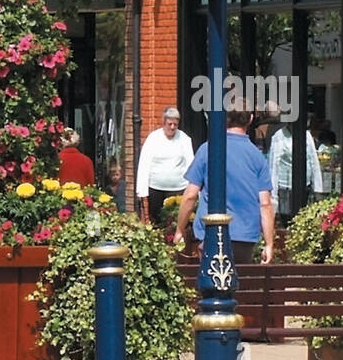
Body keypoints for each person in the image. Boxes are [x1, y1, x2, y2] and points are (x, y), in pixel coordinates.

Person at [175, 102, 275, 264]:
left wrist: (180, 230)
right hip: (245, 235)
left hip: (211, 232)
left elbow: (190, 196)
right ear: (250, 119)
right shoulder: (257, 157)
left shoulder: (207, 149)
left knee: (211, 283)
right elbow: (265, 204)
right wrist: (269, 244)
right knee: (240, 285)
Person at [136, 107, 194, 224]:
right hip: (156, 189)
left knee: (175, 222)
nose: (172, 127)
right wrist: (141, 190)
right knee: (157, 222)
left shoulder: (184, 139)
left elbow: (190, 164)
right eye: (169, 124)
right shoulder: (153, 138)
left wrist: (193, 189)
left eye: (175, 124)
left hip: (178, 189)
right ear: (163, 123)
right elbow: (144, 164)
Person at [268, 122, 322, 216]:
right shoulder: (279, 136)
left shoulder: (307, 135)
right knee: (287, 218)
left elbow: (314, 161)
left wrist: (318, 188)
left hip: (305, 186)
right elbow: (273, 166)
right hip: (285, 187)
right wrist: (273, 195)